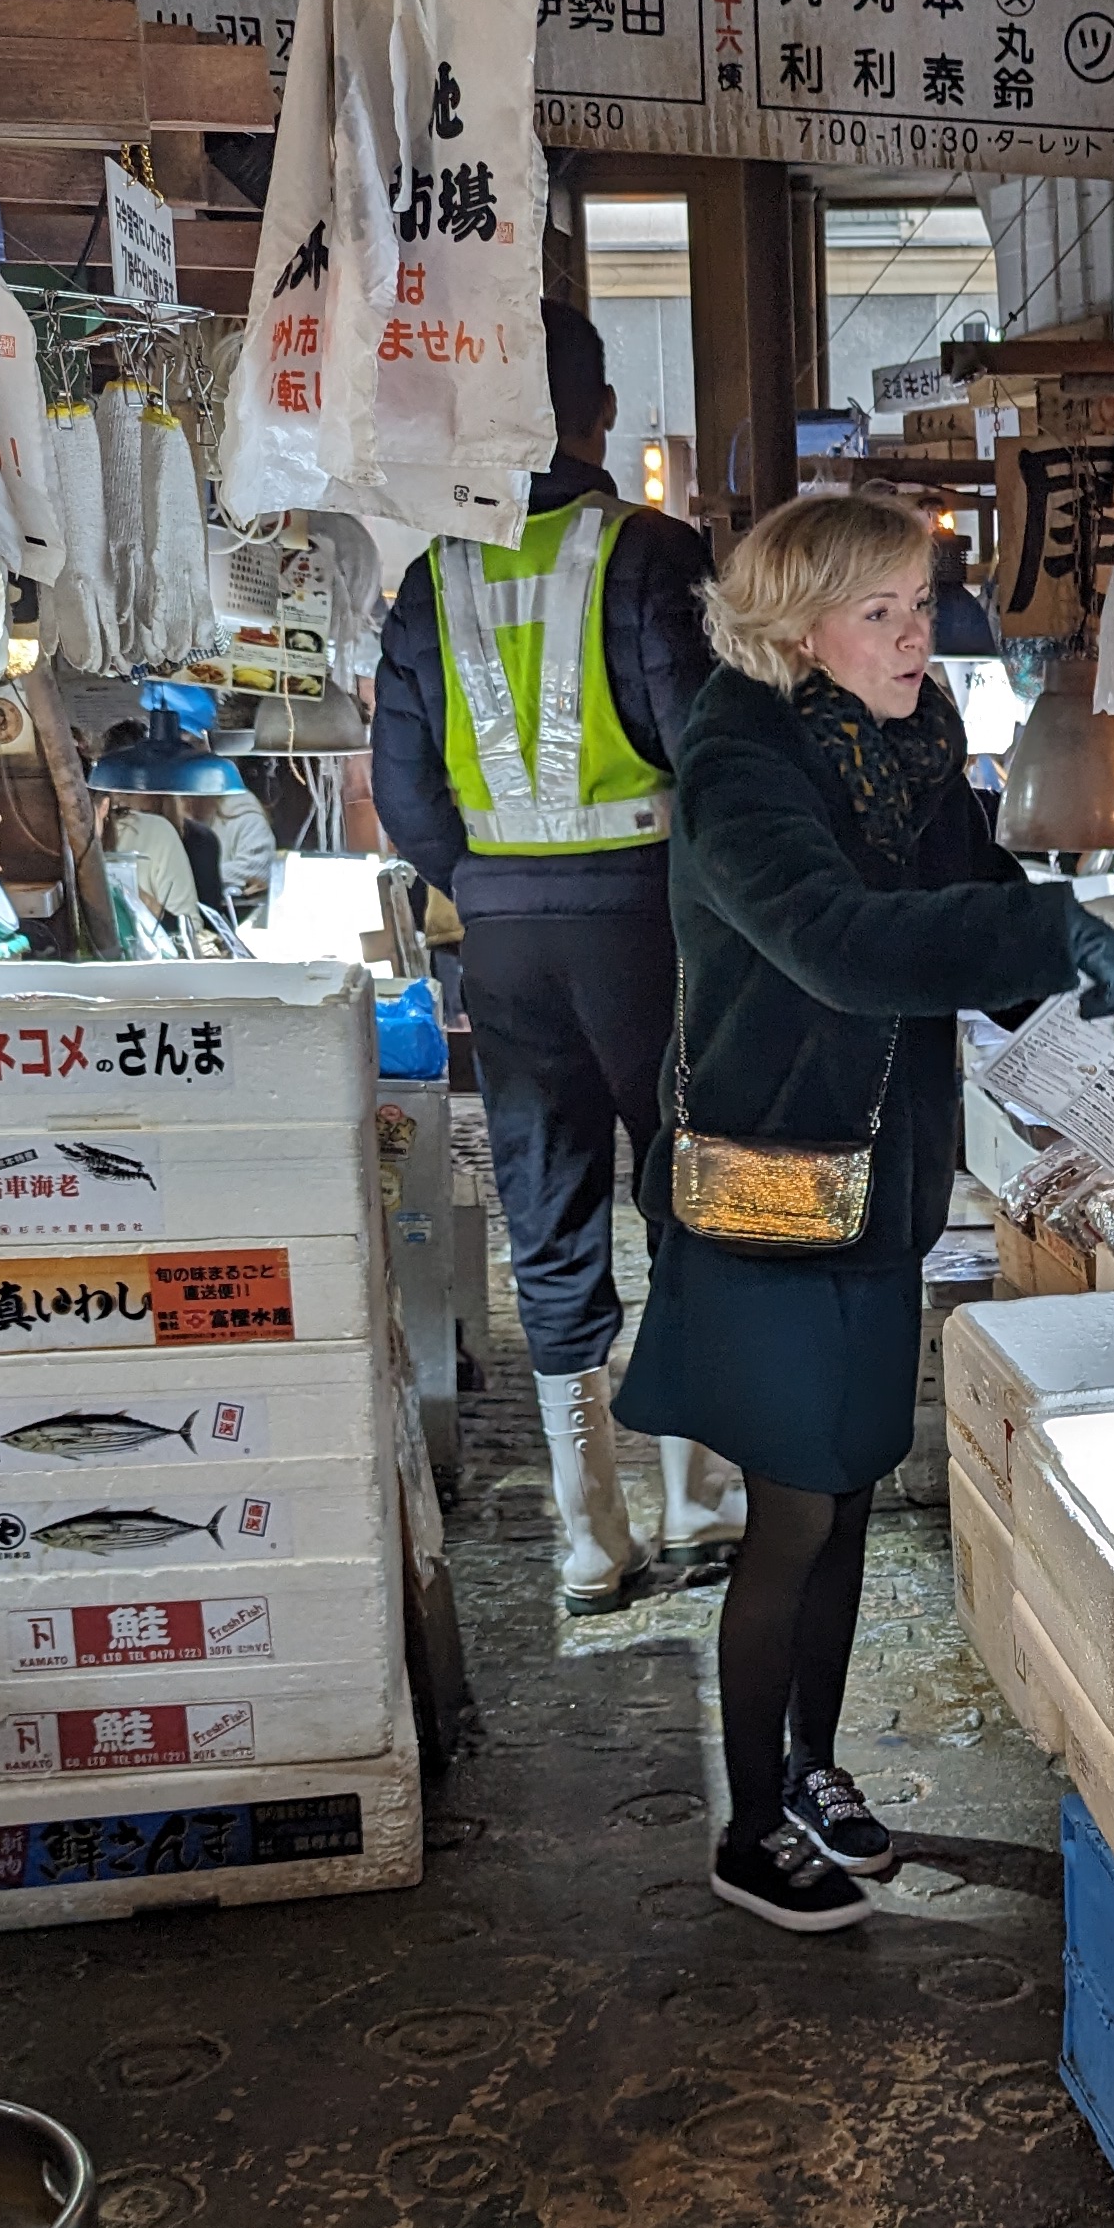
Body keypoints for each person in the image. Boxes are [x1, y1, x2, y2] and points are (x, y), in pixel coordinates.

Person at [617, 490, 1114, 1934]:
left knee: (852, 1485)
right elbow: (842, 945)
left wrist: (1078, 995)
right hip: (769, 1192)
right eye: (881, 613)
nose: (916, 636)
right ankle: (750, 1826)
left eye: (922, 605)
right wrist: (1042, 933)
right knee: (791, 1512)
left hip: (881, 1184)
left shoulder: (916, 742)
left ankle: (812, 1769)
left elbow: (972, 900)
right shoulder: (738, 759)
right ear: (797, 630)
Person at [371, 300, 736, 1608]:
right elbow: (711, 753)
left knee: (547, 1207)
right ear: (601, 412)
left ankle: (590, 1540)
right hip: (648, 925)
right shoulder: (653, 553)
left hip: (507, 939)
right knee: (689, 1191)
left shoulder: (433, 577)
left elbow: (404, 796)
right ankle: (699, 1503)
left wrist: (484, 881)